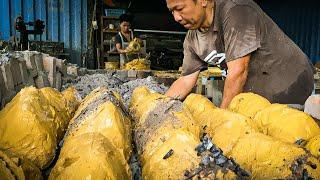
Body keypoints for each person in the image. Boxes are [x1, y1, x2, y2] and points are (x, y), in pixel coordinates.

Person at [165, 0, 314, 108]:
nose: (176, 17)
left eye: (180, 8)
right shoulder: (192, 39)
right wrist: (159, 106)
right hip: (255, 97)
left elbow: (238, 71)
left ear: (203, 1)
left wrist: (221, 118)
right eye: (172, 11)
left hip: (290, 85)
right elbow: (185, 80)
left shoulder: (237, 11)